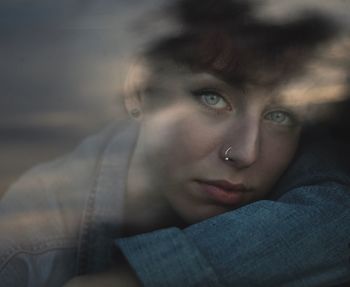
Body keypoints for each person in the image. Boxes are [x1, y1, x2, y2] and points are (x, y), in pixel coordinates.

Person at [1, 0, 350, 286]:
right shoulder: (24, 249)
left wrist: (135, 279)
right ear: (141, 90)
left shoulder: (310, 162)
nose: (245, 153)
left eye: (280, 116)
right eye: (212, 98)